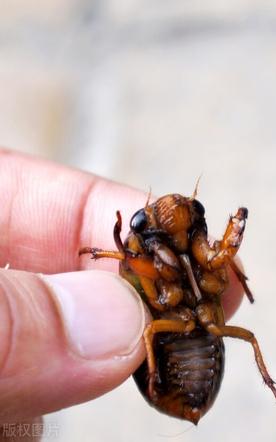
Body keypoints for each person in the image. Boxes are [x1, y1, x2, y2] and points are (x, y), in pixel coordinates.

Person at [0, 149, 245, 430]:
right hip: (170, 369)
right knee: (150, 324)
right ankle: (153, 371)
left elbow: (220, 267)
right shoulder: (140, 255)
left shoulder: (197, 255)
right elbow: (134, 265)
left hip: (201, 344)